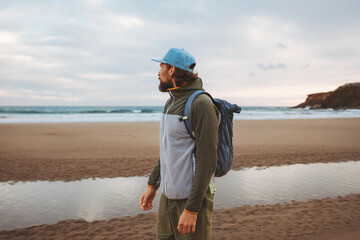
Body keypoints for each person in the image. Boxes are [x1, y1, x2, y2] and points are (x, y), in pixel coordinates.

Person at [139, 48, 219, 239]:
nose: (158, 73)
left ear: (172, 70)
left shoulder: (201, 104)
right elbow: (168, 150)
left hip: (191, 200)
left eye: (161, 68)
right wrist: (153, 186)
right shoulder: (170, 102)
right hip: (167, 198)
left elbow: (207, 160)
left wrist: (191, 210)